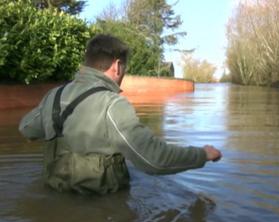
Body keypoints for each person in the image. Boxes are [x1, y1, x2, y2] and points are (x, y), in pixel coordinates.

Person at [19, 34, 222, 195]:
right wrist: (202, 154)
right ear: (117, 66)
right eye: (124, 68)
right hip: (102, 209)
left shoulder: (54, 96)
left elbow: (26, 128)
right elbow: (153, 159)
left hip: (55, 198)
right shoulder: (113, 105)